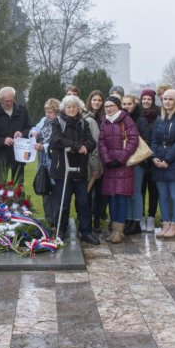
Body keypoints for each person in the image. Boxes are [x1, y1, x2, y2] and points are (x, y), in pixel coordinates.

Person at [49, 95, 98, 245]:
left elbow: (91, 142)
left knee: (83, 202)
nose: (71, 109)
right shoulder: (57, 122)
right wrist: (77, 146)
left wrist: (86, 147)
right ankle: (60, 230)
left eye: (74, 107)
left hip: (79, 169)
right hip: (62, 169)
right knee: (63, 202)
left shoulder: (83, 123)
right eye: (69, 107)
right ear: (64, 108)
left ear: (79, 108)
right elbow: (56, 140)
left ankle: (86, 231)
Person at [98, 96, 139, 244]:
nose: (108, 108)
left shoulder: (126, 120)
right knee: (112, 198)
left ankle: (119, 231)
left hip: (123, 166)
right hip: (110, 166)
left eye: (111, 106)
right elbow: (101, 142)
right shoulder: (104, 122)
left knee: (121, 197)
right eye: (106, 106)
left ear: (117, 106)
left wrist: (120, 159)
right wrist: (107, 160)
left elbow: (133, 140)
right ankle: (114, 228)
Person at [151, 89, 175, 238]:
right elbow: (154, 139)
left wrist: (167, 160)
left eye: (170, 99)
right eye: (165, 99)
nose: (167, 102)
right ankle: (165, 223)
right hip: (158, 161)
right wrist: (154, 157)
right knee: (162, 195)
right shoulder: (159, 119)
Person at [0, 86, 32, 186]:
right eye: (6, 101)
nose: (9, 103)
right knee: (0, 187)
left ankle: (18, 202)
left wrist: (22, 133)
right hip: (1, 156)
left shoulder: (22, 111)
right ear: (0, 99)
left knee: (18, 186)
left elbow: (30, 128)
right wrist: (2, 141)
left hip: (19, 154)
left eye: (11, 100)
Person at [122, 94, 150, 234]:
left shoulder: (141, 119)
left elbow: (146, 139)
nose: (126, 106)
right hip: (124, 160)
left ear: (134, 105)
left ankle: (137, 221)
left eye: (129, 104)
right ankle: (128, 219)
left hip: (137, 161)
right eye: (124, 104)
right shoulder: (121, 119)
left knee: (136, 192)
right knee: (127, 192)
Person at [30, 98, 61, 225]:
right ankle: (49, 218)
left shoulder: (60, 122)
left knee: (54, 188)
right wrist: (34, 131)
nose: (48, 114)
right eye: (46, 111)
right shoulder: (44, 120)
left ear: (57, 112)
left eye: (51, 112)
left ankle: (57, 218)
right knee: (44, 187)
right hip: (42, 161)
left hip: (54, 160)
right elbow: (36, 128)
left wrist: (44, 146)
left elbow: (57, 141)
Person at [86, 90, 107, 231]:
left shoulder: (105, 117)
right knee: (87, 192)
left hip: (102, 158)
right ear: (90, 101)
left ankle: (98, 220)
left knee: (100, 193)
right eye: (94, 100)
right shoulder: (85, 116)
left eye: (99, 100)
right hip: (88, 159)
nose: (97, 102)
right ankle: (86, 219)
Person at [140, 88, 160, 231]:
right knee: (140, 190)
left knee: (154, 190)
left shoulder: (159, 114)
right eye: (144, 99)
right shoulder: (137, 114)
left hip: (154, 158)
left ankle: (151, 217)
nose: (146, 101)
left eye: (149, 99)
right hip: (140, 159)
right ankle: (140, 217)